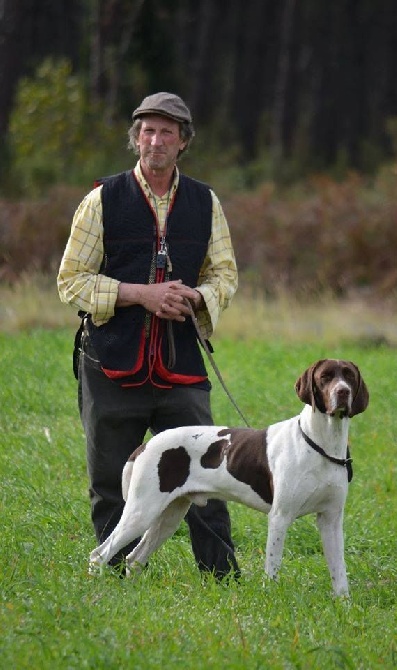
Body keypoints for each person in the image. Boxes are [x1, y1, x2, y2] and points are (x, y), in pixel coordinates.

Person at [57, 91, 240, 579]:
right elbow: (71, 280)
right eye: (147, 131)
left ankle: (221, 579)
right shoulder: (101, 200)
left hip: (180, 363)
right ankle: (114, 575)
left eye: (166, 132)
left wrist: (197, 298)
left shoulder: (205, 201)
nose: (154, 141)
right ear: (135, 138)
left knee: (207, 474)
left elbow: (224, 274)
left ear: (183, 142)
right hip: (111, 362)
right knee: (110, 480)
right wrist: (142, 294)